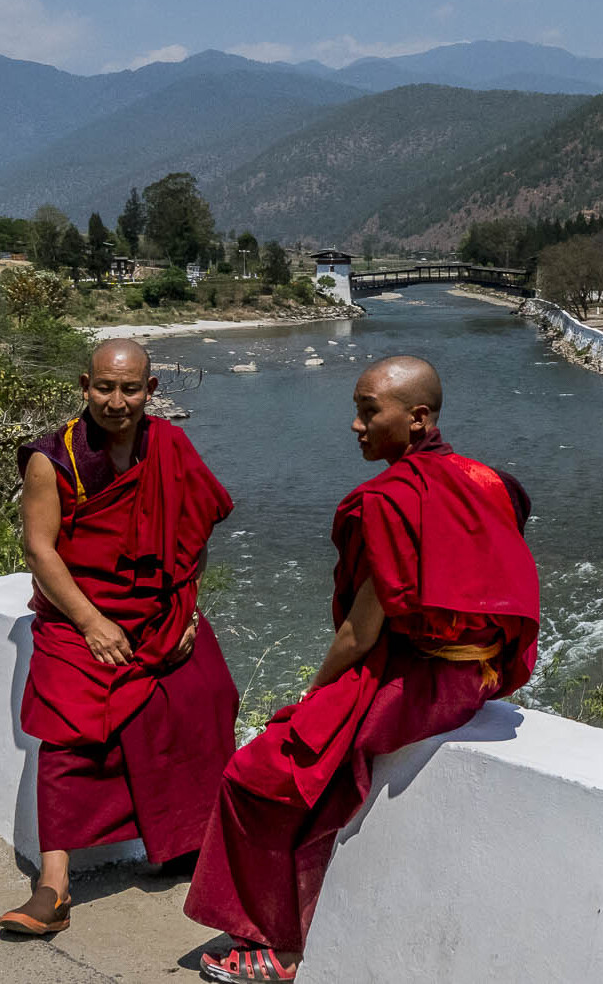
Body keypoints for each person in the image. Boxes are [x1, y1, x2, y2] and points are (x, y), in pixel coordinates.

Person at [184, 355, 539, 983]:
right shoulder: (487, 481)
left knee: (259, 773)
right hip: (475, 675)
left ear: (418, 417)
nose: (355, 424)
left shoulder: (391, 502)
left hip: (417, 681)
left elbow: (359, 631)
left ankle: (283, 946)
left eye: (369, 410)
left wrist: (312, 694)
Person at [0, 339, 238, 937]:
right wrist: (91, 623)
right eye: (105, 387)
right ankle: (53, 886)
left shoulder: (170, 446)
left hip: (159, 613)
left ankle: (184, 844)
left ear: (150, 391)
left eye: (130, 388)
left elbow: (196, 532)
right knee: (68, 728)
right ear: (85, 386)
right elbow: (40, 550)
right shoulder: (53, 459)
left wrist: (187, 614)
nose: (116, 400)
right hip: (79, 613)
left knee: (204, 697)